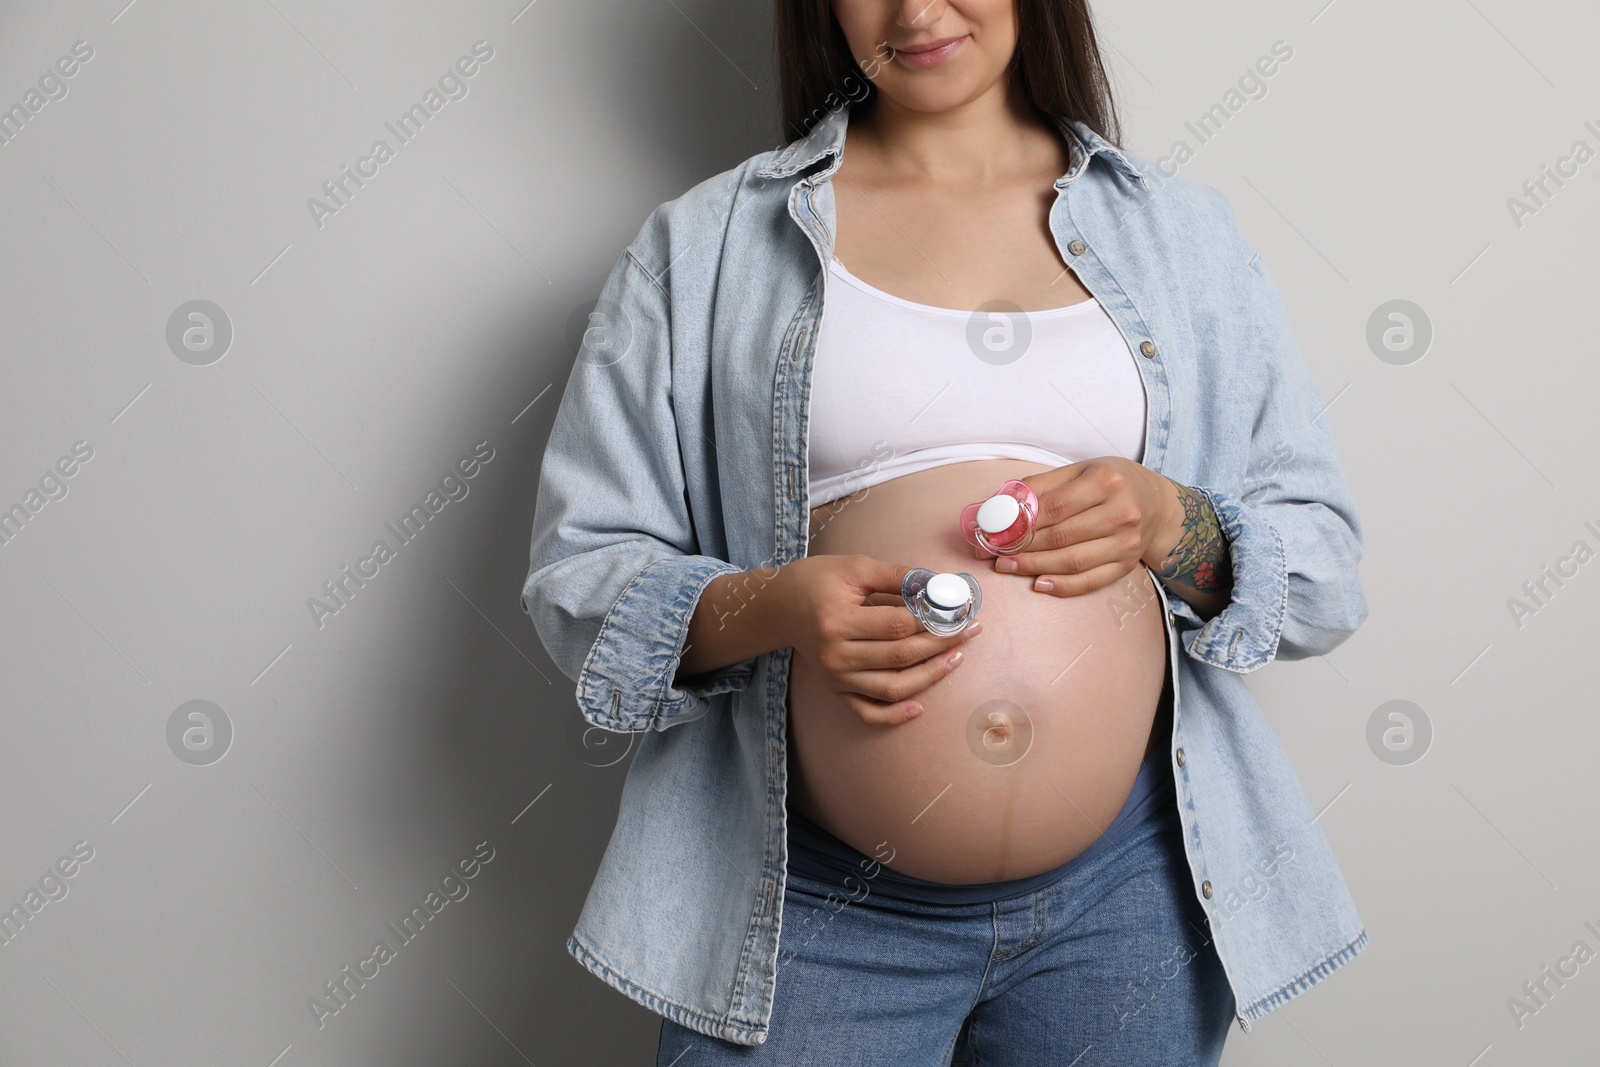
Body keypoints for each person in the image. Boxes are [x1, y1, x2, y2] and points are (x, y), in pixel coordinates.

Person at [521, 1, 1371, 1063]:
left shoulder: (1183, 237)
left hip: (1129, 895)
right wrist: (777, 604)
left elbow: (1322, 572)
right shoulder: (703, 248)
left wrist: (1171, 521)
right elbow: (581, 579)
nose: (916, 11)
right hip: (808, 909)